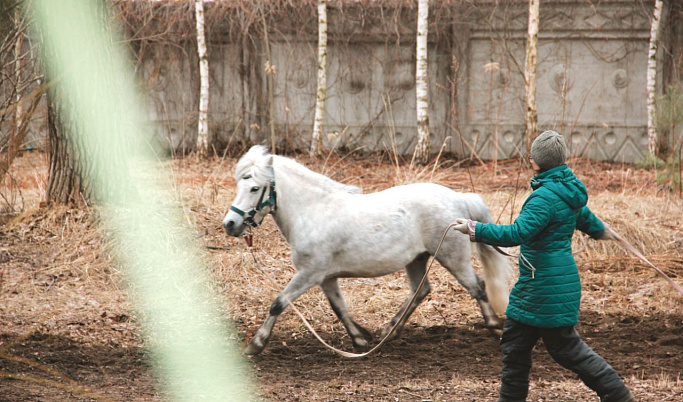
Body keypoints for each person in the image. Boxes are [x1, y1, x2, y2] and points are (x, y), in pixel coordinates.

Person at [454, 130, 634, 402]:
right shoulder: (566, 190)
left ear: (536, 162)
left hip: (542, 287)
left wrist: (474, 229)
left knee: (564, 349)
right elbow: (584, 217)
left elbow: (516, 233)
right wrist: (602, 230)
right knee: (517, 346)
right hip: (551, 284)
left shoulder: (543, 198)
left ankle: (618, 394)